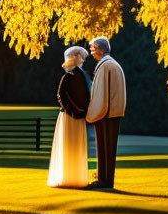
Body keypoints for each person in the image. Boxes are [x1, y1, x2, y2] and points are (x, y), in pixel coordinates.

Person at [47, 46, 91, 188]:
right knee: (76, 146)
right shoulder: (82, 77)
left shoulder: (68, 76)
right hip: (77, 115)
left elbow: (60, 95)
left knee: (68, 146)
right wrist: (81, 111)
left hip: (68, 116)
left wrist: (71, 111)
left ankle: (67, 177)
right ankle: (76, 178)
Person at [85, 36, 126, 189]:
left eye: (93, 48)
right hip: (112, 112)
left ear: (100, 49)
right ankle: (104, 178)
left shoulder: (105, 66)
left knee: (105, 148)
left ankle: (104, 180)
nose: (91, 52)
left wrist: (93, 112)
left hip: (106, 114)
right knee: (106, 149)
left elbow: (101, 94)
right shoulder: (111, 64)